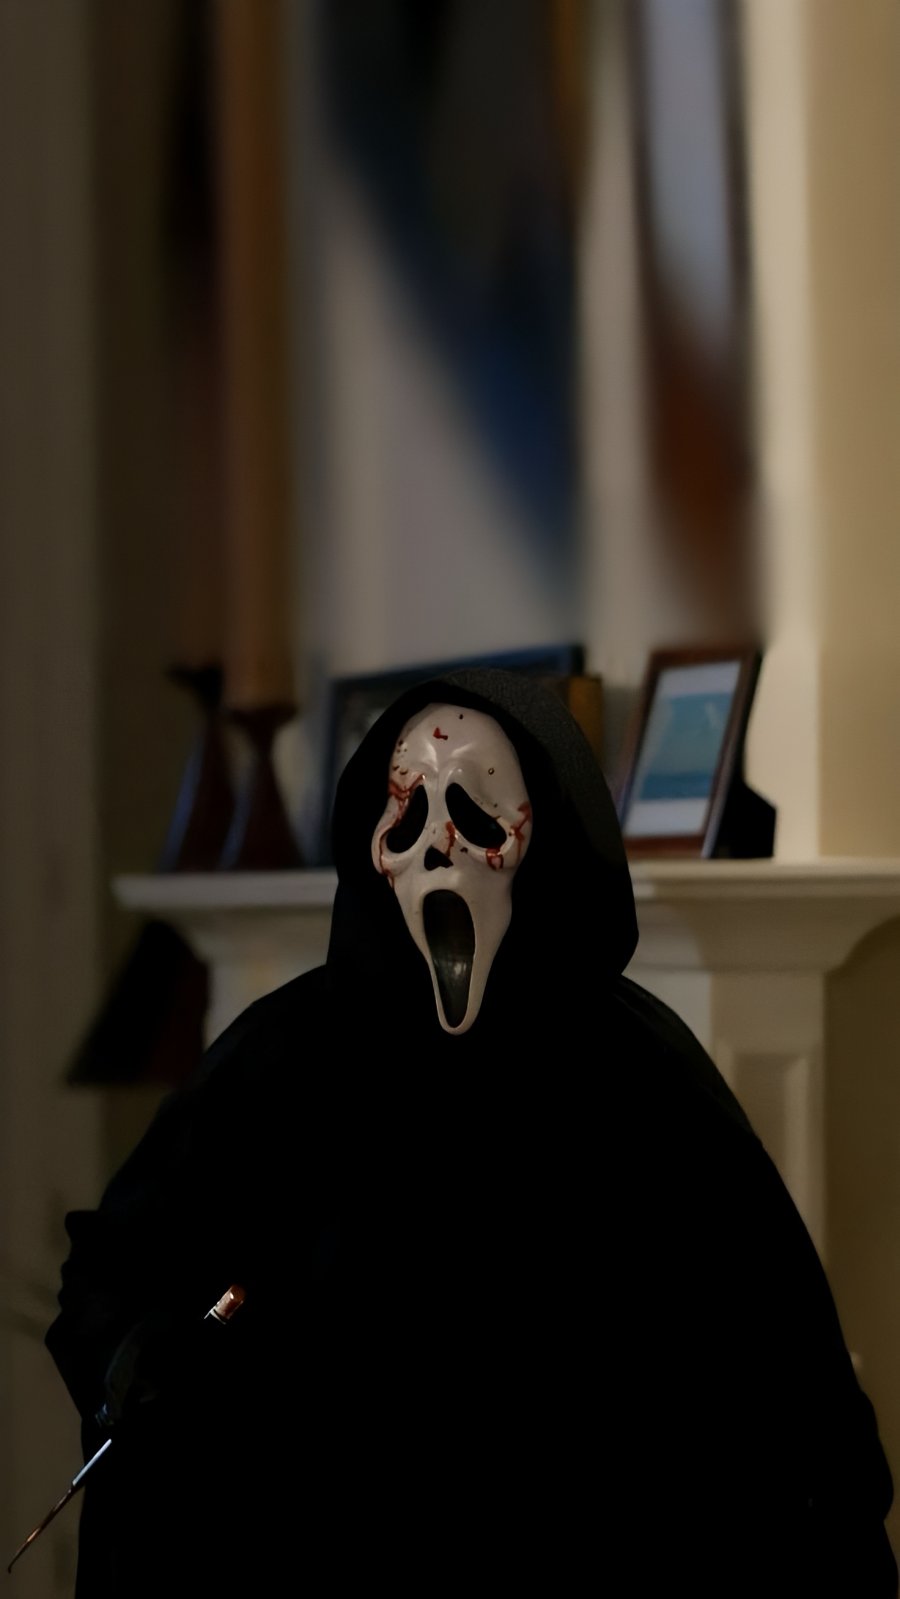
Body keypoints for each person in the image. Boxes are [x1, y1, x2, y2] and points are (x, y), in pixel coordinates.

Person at [44, 666, 897, 1595]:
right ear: (373, 846)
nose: (440, 854)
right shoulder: (280, 1055)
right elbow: (114, 1268)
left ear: (545, 839)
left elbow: (790, 1377)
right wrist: (143, 1365)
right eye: (407, 819)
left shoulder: (644, 1073)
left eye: (479, 819)